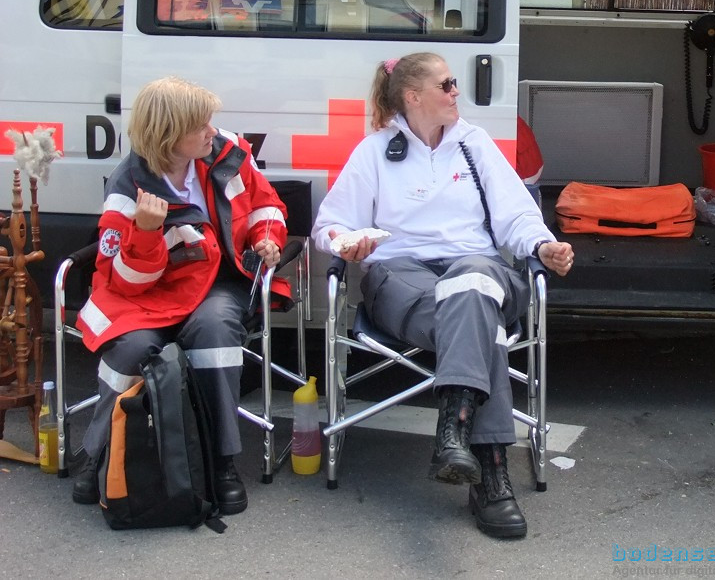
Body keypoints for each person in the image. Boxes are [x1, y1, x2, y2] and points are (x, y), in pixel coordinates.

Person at [311, 52, 574, 539]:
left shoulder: (475, 145)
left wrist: (543, 245)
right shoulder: (373, 152)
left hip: (478, 271)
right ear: (413, 97)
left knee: (473, 279)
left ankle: (455, 431)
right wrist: (349, 243)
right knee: (482, 323)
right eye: (447, 84)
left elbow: (516, 215)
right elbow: (329, 226)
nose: (457, 92)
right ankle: (491, 475)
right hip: (402, 276)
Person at [71, 76, 290, 515]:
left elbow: (268, 206)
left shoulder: (227, 152)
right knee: (132, 348)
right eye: (201, 126)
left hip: (220, 282)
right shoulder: (127, 189)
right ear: (170, 135)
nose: (213, 131)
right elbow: (124, 282)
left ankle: (223, 462)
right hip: (149, 293)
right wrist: (147, 236)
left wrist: (268, 239)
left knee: (215, 330)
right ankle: (98, 453)